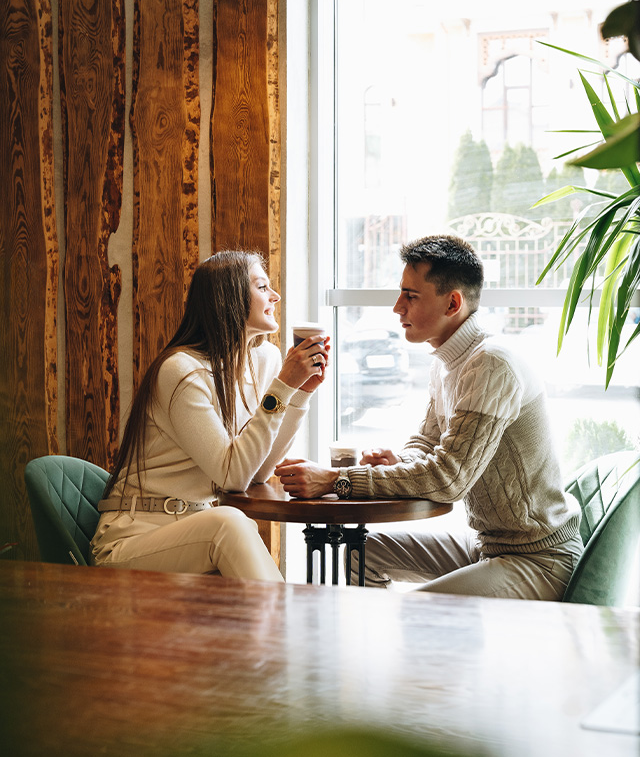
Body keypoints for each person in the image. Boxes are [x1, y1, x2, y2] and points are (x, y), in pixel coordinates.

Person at [274, 234, 583, 599]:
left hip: (539, 560)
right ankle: (367, 655)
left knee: (420, 612)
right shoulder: (447, 361)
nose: (397, 308)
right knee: (363, 553)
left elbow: (448, 478)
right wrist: (399, 461)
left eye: (411, 296)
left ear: (453, 303)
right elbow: (427, 443)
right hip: (487, 545)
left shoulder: (491, 364)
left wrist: (336, 480)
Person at [92, 250, 329, 582]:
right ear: (228, 298)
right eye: (262, 287)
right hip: (136, 538)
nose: (275, 296)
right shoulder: (182, 370)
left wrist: (299, 392)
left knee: (230, 523)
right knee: (229, 523)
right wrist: (282, 389)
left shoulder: (265, 360)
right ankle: (289, 630)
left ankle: (283, 629)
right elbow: (232, 475)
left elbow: (257, 473)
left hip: (195, 531)